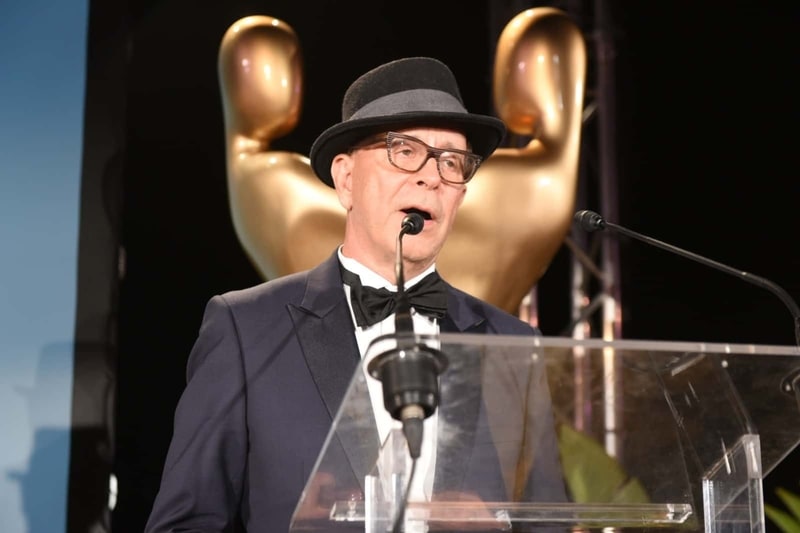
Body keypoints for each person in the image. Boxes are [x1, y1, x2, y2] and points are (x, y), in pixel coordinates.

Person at [145, 56, 566, 532]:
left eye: (451, 162)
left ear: (460, 195)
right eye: (404, 151)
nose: (431, 176)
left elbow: (547, 520)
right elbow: (185, 522)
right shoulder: (247, 328)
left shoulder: (512, 345)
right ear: (346, 180)